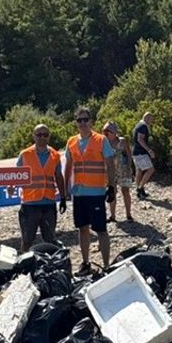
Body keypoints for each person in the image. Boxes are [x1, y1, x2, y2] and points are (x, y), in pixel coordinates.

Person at [63, 107, 116, 272]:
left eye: (86, 119)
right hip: (79, 193)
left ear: (91, 121)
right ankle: (86, 262)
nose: (83, 123)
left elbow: (110, 164)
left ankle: (106, 265)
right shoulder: (71, 142)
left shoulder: (101, 140)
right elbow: (68, 166)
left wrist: (112, 186)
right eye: (80, 120)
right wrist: (65, 191)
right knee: (82, 228)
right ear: (76, 122)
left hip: (96, 192)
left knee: (101, 229)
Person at [15, 124, 68, 249]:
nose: (42, 137)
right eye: (39, 135)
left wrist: (63, 198)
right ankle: (25, 265)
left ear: (49, 137)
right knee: (27, 240)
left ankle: (49, 265)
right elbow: (15, 176)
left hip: (48, 203)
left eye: (45, 135)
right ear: (34, 137)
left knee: (50, 239)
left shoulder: (55, 155)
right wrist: (11, 187)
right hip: (29, 205)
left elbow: (59, 177)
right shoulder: (25, 154)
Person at [102, 122, 135, 222]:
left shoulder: (123, 141)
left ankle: (128, 215)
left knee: (125, 191)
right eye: (104, 131)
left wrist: (130, 168)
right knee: (112, 192)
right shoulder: (104, 143)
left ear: (115, 132)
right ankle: (112, 216)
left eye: (108, 131)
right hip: (110, 171)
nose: (106, 133)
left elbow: (129, 155)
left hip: (123, 170)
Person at [132, 112, 156, 199]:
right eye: (151, 119)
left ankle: (139, 191)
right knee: (150, 169)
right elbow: (140, 139)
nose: (151, 121)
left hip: (135, 152)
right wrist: (149, 150)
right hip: (141, 152)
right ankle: (140, 188)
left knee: (139, 171)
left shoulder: (138, 125)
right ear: (147, 118)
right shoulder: (143, 126)